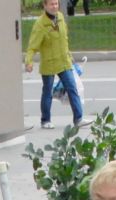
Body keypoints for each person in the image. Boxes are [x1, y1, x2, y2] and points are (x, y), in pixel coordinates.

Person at [25, 0, 83, 130]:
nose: (54, 6)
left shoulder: (61, 17)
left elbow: (64, 40)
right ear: (45, 6)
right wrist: (29, 61)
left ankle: (78, 119)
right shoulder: (40, 24)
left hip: (64, 62)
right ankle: (45, 120)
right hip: (49, 63)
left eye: (56, 3)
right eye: (51, 4)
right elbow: (32, 46)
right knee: (47, 92)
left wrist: (70, 56)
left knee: (72, 88)